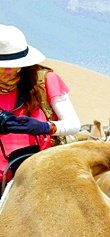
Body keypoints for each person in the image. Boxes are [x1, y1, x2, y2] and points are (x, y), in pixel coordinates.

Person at [0, 24, 81, 185]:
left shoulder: (45, 81)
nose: (8, 72)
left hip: (41, 170)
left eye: (14, 66)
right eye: (3, 68)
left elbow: (73, 124)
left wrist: (45, 127)